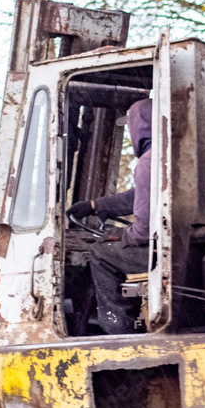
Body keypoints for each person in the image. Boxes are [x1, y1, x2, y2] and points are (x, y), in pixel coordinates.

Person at [66, 98, 152, 334]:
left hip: (165, 253)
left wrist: (121, 235)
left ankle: (119, 328)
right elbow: (142, 195)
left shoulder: (149, 162)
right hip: (186, 249)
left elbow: (143, 231)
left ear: (141, 127)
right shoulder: (175, 156)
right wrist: (96, 205)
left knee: (102, 252)